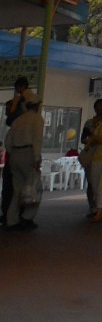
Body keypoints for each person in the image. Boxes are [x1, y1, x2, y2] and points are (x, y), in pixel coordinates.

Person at [3, 92, 43, 230]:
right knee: (34, 188)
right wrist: (37, 158)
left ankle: (11, 219)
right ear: (37, 106)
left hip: (15, 155)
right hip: (29, 154)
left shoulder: (18, 120)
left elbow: (8, 141)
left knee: (17, 190)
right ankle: (27, 218)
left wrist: (12, 153)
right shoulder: (37, 119)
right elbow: (37, 139)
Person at [1, 75, 29, 227]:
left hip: (18, 153)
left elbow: (10, 117)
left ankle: (15, 215)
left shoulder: (25, 110)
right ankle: (10, 214)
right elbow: (9, 118)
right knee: (11, 186)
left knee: (16, 187)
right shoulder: (17, 110)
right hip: (14, 154)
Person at [79, 96, 102, 215]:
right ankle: (93, 206)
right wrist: (91, 141)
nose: (100, 108)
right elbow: (83, 139)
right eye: (98, 106)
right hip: (91, 154)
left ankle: (101, 206)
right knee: (91, 182)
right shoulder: (89, 123)